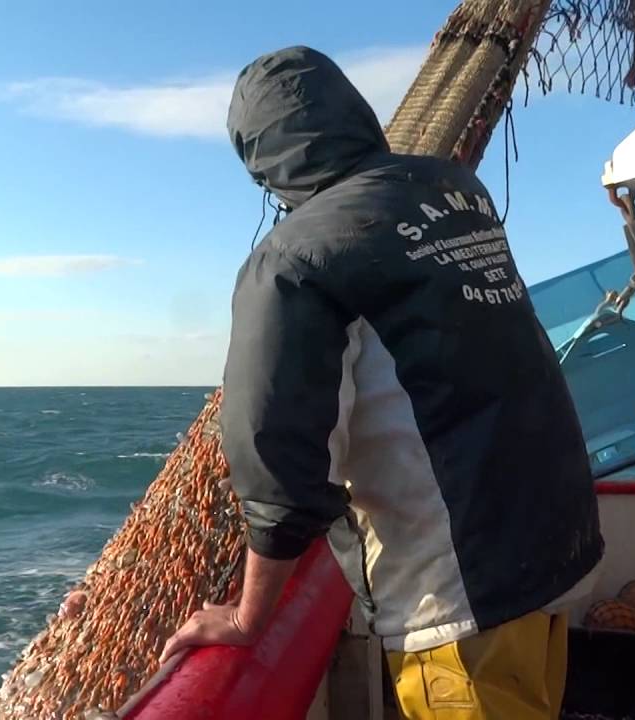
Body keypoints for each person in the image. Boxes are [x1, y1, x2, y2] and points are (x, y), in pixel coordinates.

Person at [160, 46, 604, 720]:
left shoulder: (291, 262)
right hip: (553, 547)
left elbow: (276, 458)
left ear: (260, 158)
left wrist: (250, 618)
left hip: (462, 593)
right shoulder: (457, 193)